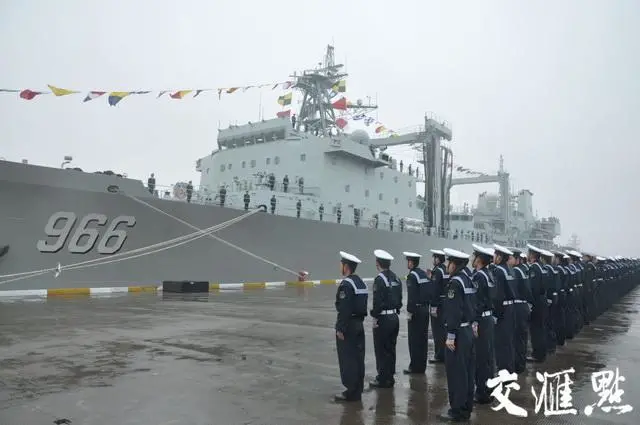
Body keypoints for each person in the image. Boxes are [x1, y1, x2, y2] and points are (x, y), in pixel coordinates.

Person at [438, 248, 476, 422]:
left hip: (458, 332)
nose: (447, 265)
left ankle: (457, 410)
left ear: (456, 264)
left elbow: (453, 311)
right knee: (467, 371)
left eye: (450, 262)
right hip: (467, 330)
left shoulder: (454, 283)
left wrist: (451, 334)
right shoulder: (468, 279)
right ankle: (466, 407)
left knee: (456, 373)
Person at [334, 251, 368, 402]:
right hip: (359, 324)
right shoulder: (360, 282)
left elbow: (344, 308)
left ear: (346, 266)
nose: (340, 267)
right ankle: (358, 388)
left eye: (341, 264)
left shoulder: (346, 284)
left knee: (348, 359)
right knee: (358, 358)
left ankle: (351, 391)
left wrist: (340, 328)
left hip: (348, 326)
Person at [370, 249, 401, 388]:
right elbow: (399, 299)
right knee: (391, 348)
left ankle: (382, 378)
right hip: (394, 317)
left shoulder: (379, 280)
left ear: (378, 264)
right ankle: (390, 376)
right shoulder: (396, 278)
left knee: (381, 349)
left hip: (383, 319)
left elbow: (377, 302)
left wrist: (374, 316)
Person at [470, 244, 496, 404]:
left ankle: (481, 393)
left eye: (474, 256)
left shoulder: (479, 277)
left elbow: (477, 302)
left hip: (481, 320)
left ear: (479, 259)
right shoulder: (489, 274)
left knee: (480, 358)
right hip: (488, 319)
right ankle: (487, 390)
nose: (472, 259)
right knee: (487, 357)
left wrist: (474, 321)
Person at [402, 251, 431, 375]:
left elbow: (412, 296)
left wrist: (409, 312)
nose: (407, 263)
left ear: (411, 262)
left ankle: (414, 367)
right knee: (423, 340)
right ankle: (421, 366)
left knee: (414, 340)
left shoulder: (412, 276)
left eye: (408, 261)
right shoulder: (423, 274)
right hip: (425, 309)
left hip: (416, 312)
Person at [492, 244, 517, 373]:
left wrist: (496, 314)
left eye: (495, 255)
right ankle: (509, 368)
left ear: (500, 257)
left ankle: (504, 371)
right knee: (508, 342)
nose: (493, 257)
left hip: (502, 309)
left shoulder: (498, 271)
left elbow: (498, 295)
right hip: (511, 308)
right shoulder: (509, 269)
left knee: (501, 343)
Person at [511, 247, 532, 374]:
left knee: (517, 337)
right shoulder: (524, 270)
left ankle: (517, 365)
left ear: (517, 259)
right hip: (524, 306)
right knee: (522, 337)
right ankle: (521, 363)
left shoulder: (515, 272)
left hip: (518, 306)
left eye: (511, 258)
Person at [526, 244, 548, 363]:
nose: (527, 256)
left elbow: (533, 288)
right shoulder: (542, 267)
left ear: (533, 255)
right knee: (541, 328)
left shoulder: (534, 268)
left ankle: (537, 354)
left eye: (529, 253)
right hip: (543, 300)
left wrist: (530, 303)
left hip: (537, 302)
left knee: (536, 330)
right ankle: (542, 353)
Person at [429, 249, 448, 364]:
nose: (433, 260)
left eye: (434, 257)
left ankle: (439, 355)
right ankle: (443, 353)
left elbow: (435, 289)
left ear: (437, 259)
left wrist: (434, 306)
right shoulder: (445, 269)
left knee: (437, 331)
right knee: (443, 330)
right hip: (445, 303)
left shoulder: (437, 271)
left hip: (438, 304)